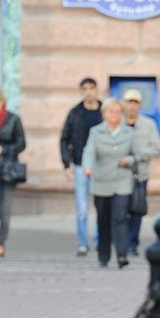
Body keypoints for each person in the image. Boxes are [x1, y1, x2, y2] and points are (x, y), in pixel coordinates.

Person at [81, 98, 137, 269]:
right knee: (103, 220)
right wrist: (87, 167)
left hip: (122, 180)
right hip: (101, 182)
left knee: (120, 217)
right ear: (104, 114)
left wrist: (130, 159)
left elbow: (138, 154)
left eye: (118, 112)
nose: (114, 115)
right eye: (111, 112)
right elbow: (89, 152)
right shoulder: (96, 132)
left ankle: (121, 253)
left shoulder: (129, 132)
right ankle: (103, 255)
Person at [60, 77, 103, 257]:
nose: (88, 92)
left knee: (102, 204)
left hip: (101, 164)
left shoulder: (104, 111)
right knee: (82, 207)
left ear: (96, 90)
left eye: (91, 88)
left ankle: (101, 241)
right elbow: (64, 138)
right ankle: (82, 243)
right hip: (79, 164)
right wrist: (66, 164)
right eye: (85, 89)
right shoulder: (75, 113)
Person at [123, 88, 160, 256]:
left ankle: (132, 243)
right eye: (129, 102)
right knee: (120, 209)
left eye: (135, 103)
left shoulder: (148, 125)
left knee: (136, 209)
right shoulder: (118, 123)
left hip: (140, 173)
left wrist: (138, 156)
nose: (132, 106)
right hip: (119, 174)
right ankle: (121, 242)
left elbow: (157, 148)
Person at [0, 88, 26, 258]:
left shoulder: (13, 119)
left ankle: (0, 242)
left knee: (5, 208)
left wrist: (5, 149)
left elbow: (21, 143)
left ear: (3, 102)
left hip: (7, 169)